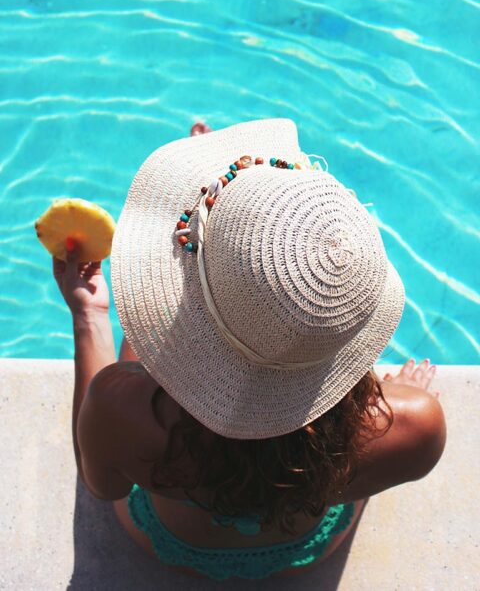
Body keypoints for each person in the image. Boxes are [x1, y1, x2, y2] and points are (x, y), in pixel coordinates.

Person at [53, 118, 446, 581]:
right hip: (306, 547)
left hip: (170, 541)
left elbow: (103, 486)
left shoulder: (120, 409)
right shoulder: (415, 426)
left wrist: (90, 316)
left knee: (145, 343)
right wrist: (386, 403)